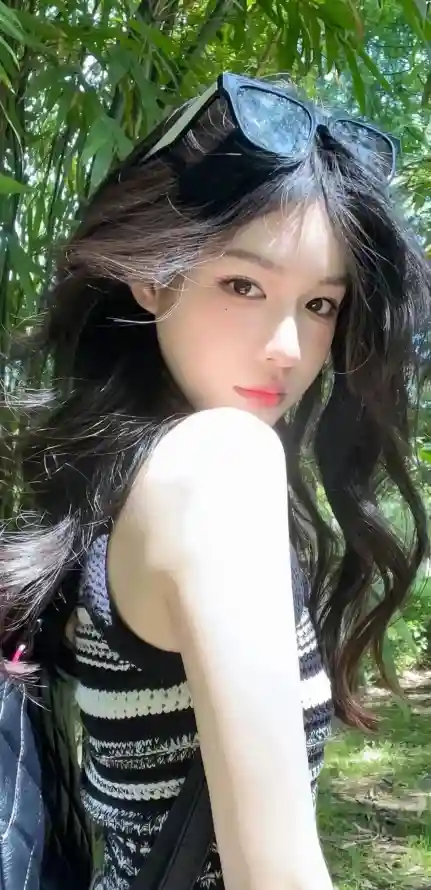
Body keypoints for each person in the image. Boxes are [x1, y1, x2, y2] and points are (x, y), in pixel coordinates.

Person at [0, 72, 429, 890]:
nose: (287, 347)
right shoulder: (218, 465)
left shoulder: (123, 478)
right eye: (243, 286)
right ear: (152, 276)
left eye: (319, 304)